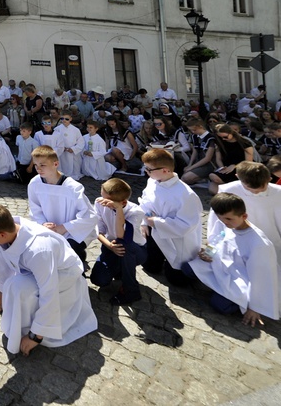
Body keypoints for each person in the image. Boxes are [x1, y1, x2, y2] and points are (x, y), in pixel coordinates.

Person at [0, 204, 97, 356]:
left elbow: (49, 293)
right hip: (37, 271)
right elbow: (2, 267)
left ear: (1, 235)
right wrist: (2, 294)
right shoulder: (6, 231)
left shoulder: (39, 250)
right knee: (11, 286)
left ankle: (36, 326)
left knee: (18, 287)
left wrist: (36, 336)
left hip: (63, 274)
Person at [184, 194, 279, 325]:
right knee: (186, 269)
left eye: (229, 219)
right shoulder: (226, 222)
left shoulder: (260, 244)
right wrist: (209, 253)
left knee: (220, 305)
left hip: (239, 279)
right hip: (219, 265)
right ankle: (218, 288)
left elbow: (261, 277)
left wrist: (255, 307)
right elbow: (218, 240)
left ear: (244, 216)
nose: (225, 223)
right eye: (221, 219)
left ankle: (230, 298)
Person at [139, 149, 202, 286]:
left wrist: (155, 221)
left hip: (176, 239)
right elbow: (145, 202)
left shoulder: (186, 194)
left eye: (149, 169)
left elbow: (186, 225)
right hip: (154, 232)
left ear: (165, 170)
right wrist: (145, 222)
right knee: (150, 267)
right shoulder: (152, 181)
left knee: (178, 280)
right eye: (146, 168)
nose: (146, 172)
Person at [27, 146, 98, 266]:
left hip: (73, 230)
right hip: (49, 227)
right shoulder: (35, 183)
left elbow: (89, 216)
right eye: (35, 165)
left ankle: (78, 265)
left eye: (43, 165)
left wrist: (64, 227)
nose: (38, 169)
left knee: (68, 253)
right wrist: (43, 223)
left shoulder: (73, 187)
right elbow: (35, 209)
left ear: (55, 164)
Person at [208, 162, 281, 277]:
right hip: (237, 241)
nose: (256, 192)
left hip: (272, 240)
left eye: (262, 187)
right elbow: (216, 223)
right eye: (250, 188)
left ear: (270, 178)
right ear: (238, 177)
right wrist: (211, 249)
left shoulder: (278, 192)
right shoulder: (228, 190)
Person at [90, 179, 148, 305]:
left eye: (106, 200)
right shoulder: (99, 203)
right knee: (99, 279)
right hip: (111, 246)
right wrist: (109, 246)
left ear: (123, 202)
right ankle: (120, 270)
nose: (102, 201)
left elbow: (121, 235)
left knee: (123, 244)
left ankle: (131, 291)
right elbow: (98, 231)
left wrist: (118, 209)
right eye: (102, 196)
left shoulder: (136, 212)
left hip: (135, 250)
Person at [208, 124, 255, 194]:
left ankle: (235, 188)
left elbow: (248, 162)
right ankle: (235, 190)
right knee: (213, 189)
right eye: (220, 137)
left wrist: (235, 165)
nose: (223, 139)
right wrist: (222, 167)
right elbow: (218, 158)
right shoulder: (220, 142)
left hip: (241, 168)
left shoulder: (244, 143)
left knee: (215, 183)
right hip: (226, 168)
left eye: (225, 137)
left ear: (231, 133)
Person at [182, 117, 217, 185]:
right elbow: (195, 151)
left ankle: (204, 177)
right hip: (198, 161)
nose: (193, 132)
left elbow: (207, 158)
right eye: (191, 130)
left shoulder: (210, 138)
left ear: (200, 127)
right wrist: (190, 164)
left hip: (209, 164)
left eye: (194, 130)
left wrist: (191, 167)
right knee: (184, 173)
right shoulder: (195, 136)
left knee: (186, 178)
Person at [54, 109, 84, 180]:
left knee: (73, 170)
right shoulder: (57, 129)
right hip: (62, 152)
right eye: (62, 118)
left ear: (70, 119)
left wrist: (73, 149)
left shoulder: (76, 130)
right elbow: (54, 141)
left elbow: (81, 142)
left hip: (72, 152)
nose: (64, 120)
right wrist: (61, 148)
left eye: (66, 119)